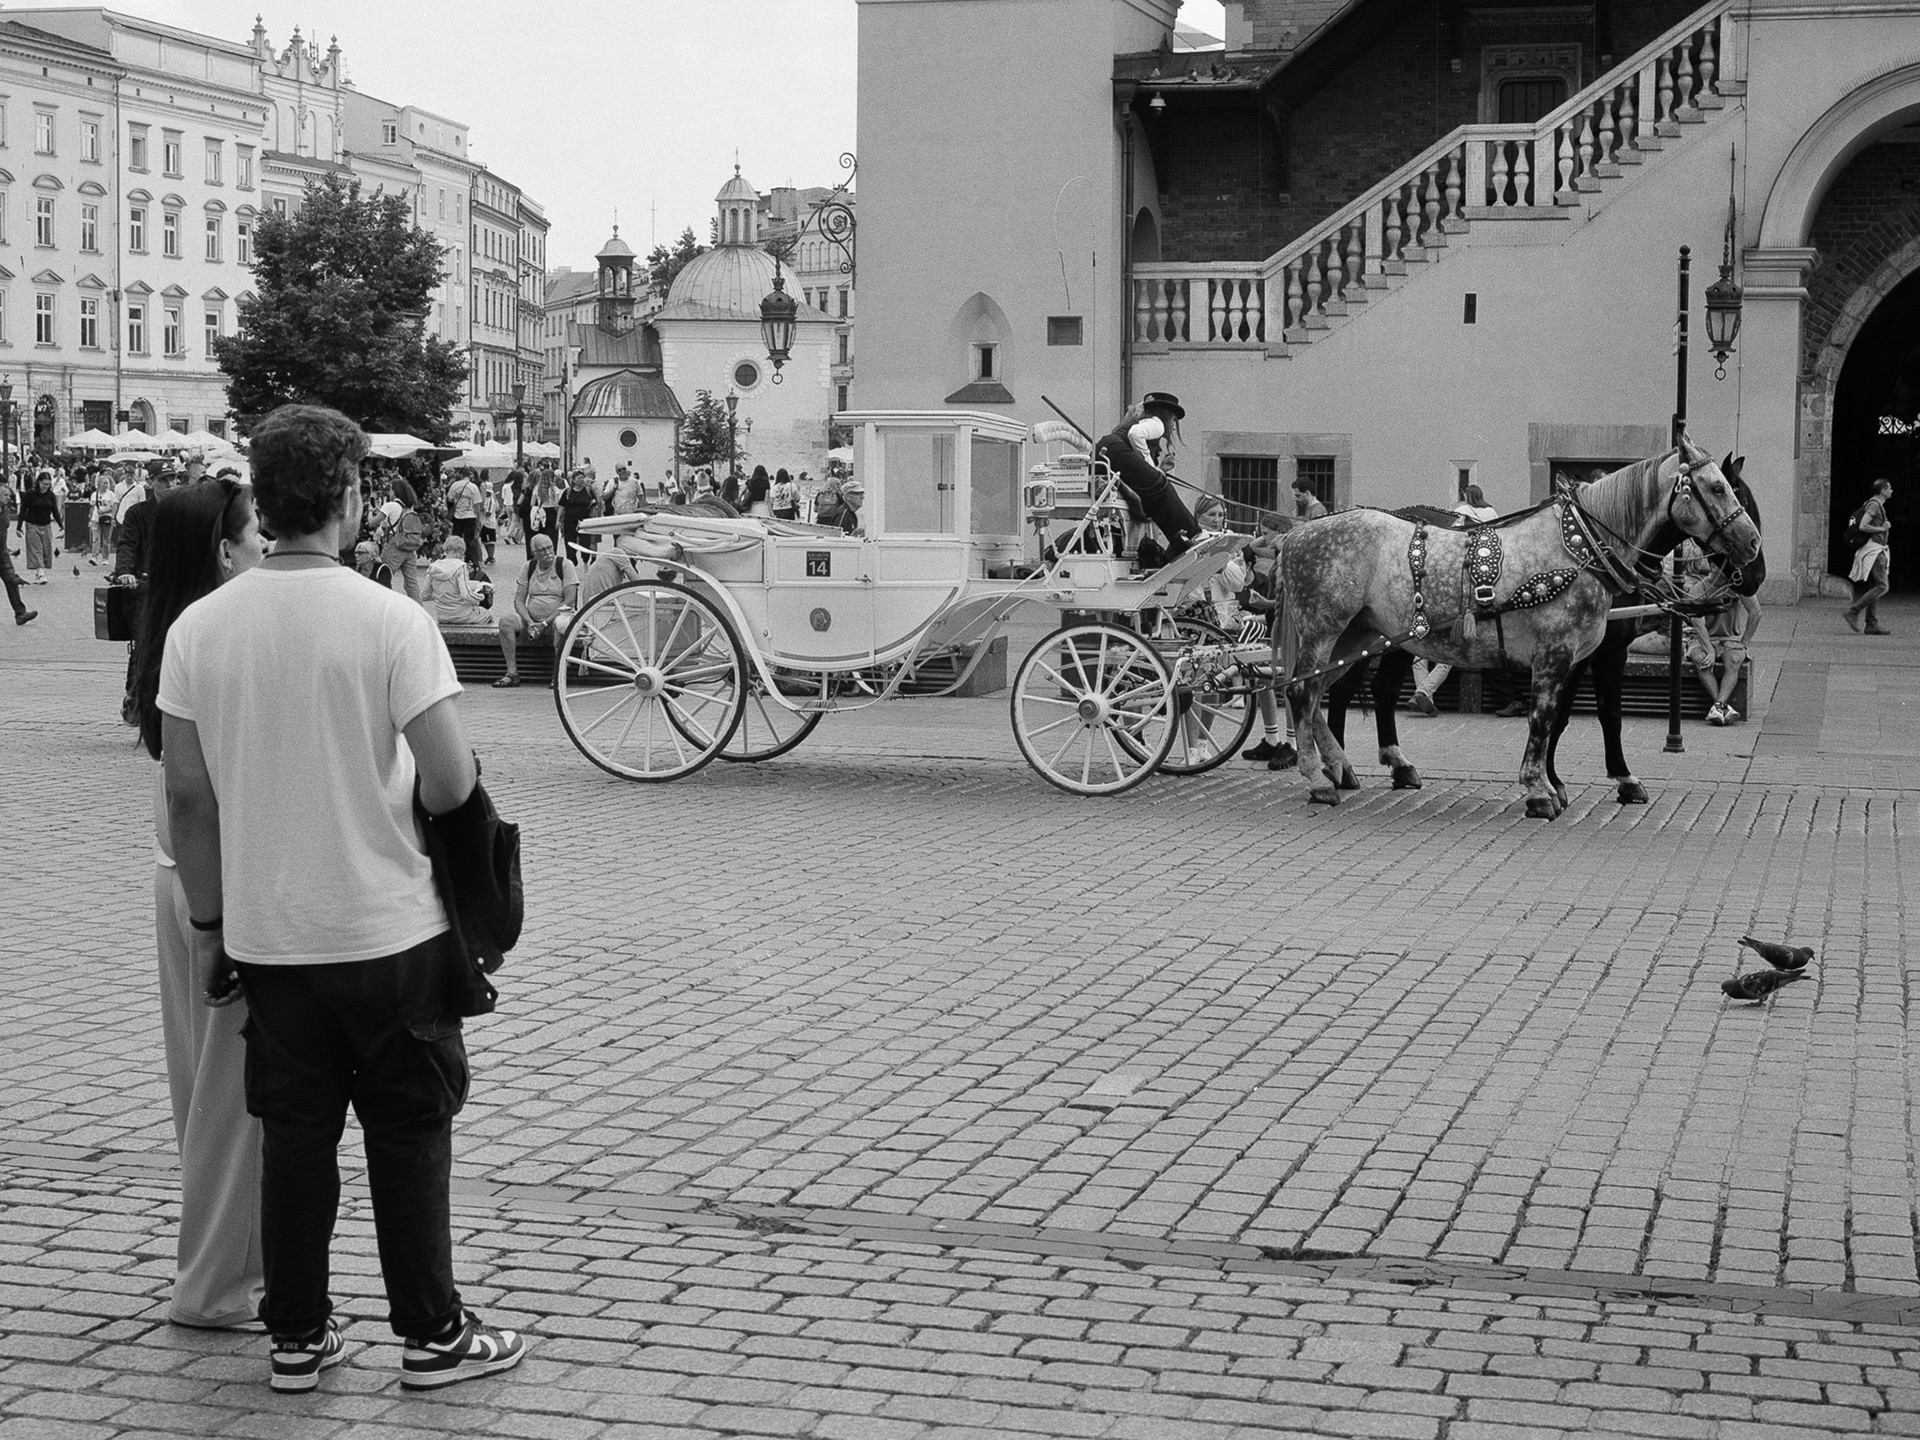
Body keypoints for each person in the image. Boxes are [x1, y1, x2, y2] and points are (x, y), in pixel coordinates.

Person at [157, 403, 526, 1394]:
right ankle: (432, 1335)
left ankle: (297, 1336)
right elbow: (450, 783)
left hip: (273, 935)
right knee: (408, 1133)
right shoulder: (390, 621)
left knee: (296, 1141)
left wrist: (208, 926)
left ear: (262, 503)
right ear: (352, 497)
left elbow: (188, 798)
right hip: (390, 928)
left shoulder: (201, 628)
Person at [133, 477, 268, 1330]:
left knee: (204, 1090)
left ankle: (222, 1269)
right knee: (231, 1097)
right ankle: (215, 1286)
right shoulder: (216, 637)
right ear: (224, 551)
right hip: (214, 879)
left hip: (177, 875)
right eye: (254, 535)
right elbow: (204, 794)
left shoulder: (176, 633)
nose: (263, 546)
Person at [1410, 485, 1501, 715]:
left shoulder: (1460, 512)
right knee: (1448, 654)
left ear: (1464, 496)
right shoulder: (1492, 513)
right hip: (1469, 597)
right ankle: (1423, 692)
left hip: (1440, 593)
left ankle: (1422, 692)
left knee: (1420, 651)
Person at [1092, 392, 1200, 564]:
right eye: (1174, 421)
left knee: (1155, 489)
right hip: (1113, 451)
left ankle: (1182, 539)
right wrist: (1152, 469)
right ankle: (1191, 535)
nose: (1173, 427)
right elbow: (1135, 434)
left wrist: (1155, 470)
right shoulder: (1157, 424)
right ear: (1167, 416)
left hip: (1105, 453)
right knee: (1163, 488)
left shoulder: (1141, 423)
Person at [493, 532, 578, 687]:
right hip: (532, 619)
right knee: (506, 621)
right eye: (543, 550)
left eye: (550, 548)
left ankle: (558, 674)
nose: (548, 553)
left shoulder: (565, 565)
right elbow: (519, 601)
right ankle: (512, 673)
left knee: (561, 624)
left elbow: (570, 601)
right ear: (535, 554)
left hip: (556, 617)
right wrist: (530, 622)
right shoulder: (528, 567)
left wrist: (545, 623)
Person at [1844, 477, 1893, 635]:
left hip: (1876, 549)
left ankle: (1871, 624)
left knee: (1875, 586)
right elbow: (1863, 525)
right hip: (1875, 550)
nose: (1892, 491)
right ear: (1883, 490)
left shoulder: (1873, 504)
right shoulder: (1874, 505)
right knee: (1882, 586)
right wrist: (1882, 528)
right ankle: (1854, 611)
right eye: (1889, 488)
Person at [424, 535, 494, 626]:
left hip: (442, 616)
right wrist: (481, 597)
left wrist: (442, 595)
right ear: (461, 551)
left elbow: (424, 595)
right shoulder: (460, 566)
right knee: (489, 613)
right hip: (462, 615)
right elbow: (466, 594)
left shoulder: (433, 567)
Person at [377, 478, 427, 602]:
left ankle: (384, 606)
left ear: (395, 491)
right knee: (411, 583)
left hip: (395, 547)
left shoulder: (390, 505)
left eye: (390, 489)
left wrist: (372, 513)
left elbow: (373, 522)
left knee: (384, 578)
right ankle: (419, 609)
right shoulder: (409, 507)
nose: (389, 493)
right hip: (410, 548)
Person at [0, 476, 33, 625]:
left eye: (8, 495)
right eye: (5, 495)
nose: (8, 498)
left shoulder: (6, 509)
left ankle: (20, 613)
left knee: (12, 581)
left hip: (2, 553)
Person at [20, 472, 59, 583]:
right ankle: (41, 573)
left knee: (46, 550)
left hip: (46, 525)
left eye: (48, 484)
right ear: (38, 482)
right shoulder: (30, 494)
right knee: (36, 549)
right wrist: (19, 527)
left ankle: (38, 571)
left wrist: (61, 526)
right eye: (43, 484)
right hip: (32, 524)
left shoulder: (51, 495)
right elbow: (23, 510)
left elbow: (55, 511)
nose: (45, 487)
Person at [558, 469, 597, 561]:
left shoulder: (588, 491)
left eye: (583, 478)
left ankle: (585, 560)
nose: (581, 480)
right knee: (570, 542)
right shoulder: (567, 492)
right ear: (574, 480)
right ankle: (571, 560)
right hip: (570, 521)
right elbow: (561, 506)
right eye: (579, 478)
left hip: (584, 521)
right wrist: (558, 520)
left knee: (585, 542)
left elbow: (594, 504)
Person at [445, 469, 484, 562]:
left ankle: (454, 557)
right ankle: (470, 559)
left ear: (461, 474)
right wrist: (479, 519)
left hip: (457, 516)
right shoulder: (473, 487)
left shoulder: (454, 485)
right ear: (469, 476)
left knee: (456, 538)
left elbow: (449, 500)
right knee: (469, 539)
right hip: (470, 516)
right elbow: (477, 505)